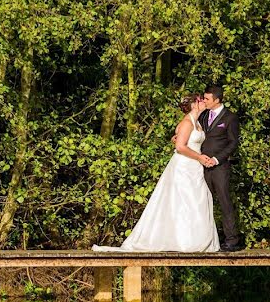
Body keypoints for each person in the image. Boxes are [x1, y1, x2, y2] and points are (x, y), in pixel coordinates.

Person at [93, 94, 220, 252]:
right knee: (183, 202)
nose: (203, 102)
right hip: (184, 166)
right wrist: (199, 157)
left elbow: (186, 141)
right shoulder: (187, 122)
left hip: (194, 167)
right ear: (194, 105)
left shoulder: (198, 123)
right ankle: (184, 241)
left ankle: (194, 240)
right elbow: (180, 147)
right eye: (200, 100)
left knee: (195, 201)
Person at [197, 86, 242, 252]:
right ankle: (206, 238)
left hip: (220, 166)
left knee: (224, 200)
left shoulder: (230, 118)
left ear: (217, 100)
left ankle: (231, 239)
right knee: (203, 202)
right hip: (201, 164)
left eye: (207, 99)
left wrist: (216, 159)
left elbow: (233, 143)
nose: (204, 101)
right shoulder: (202, 115)